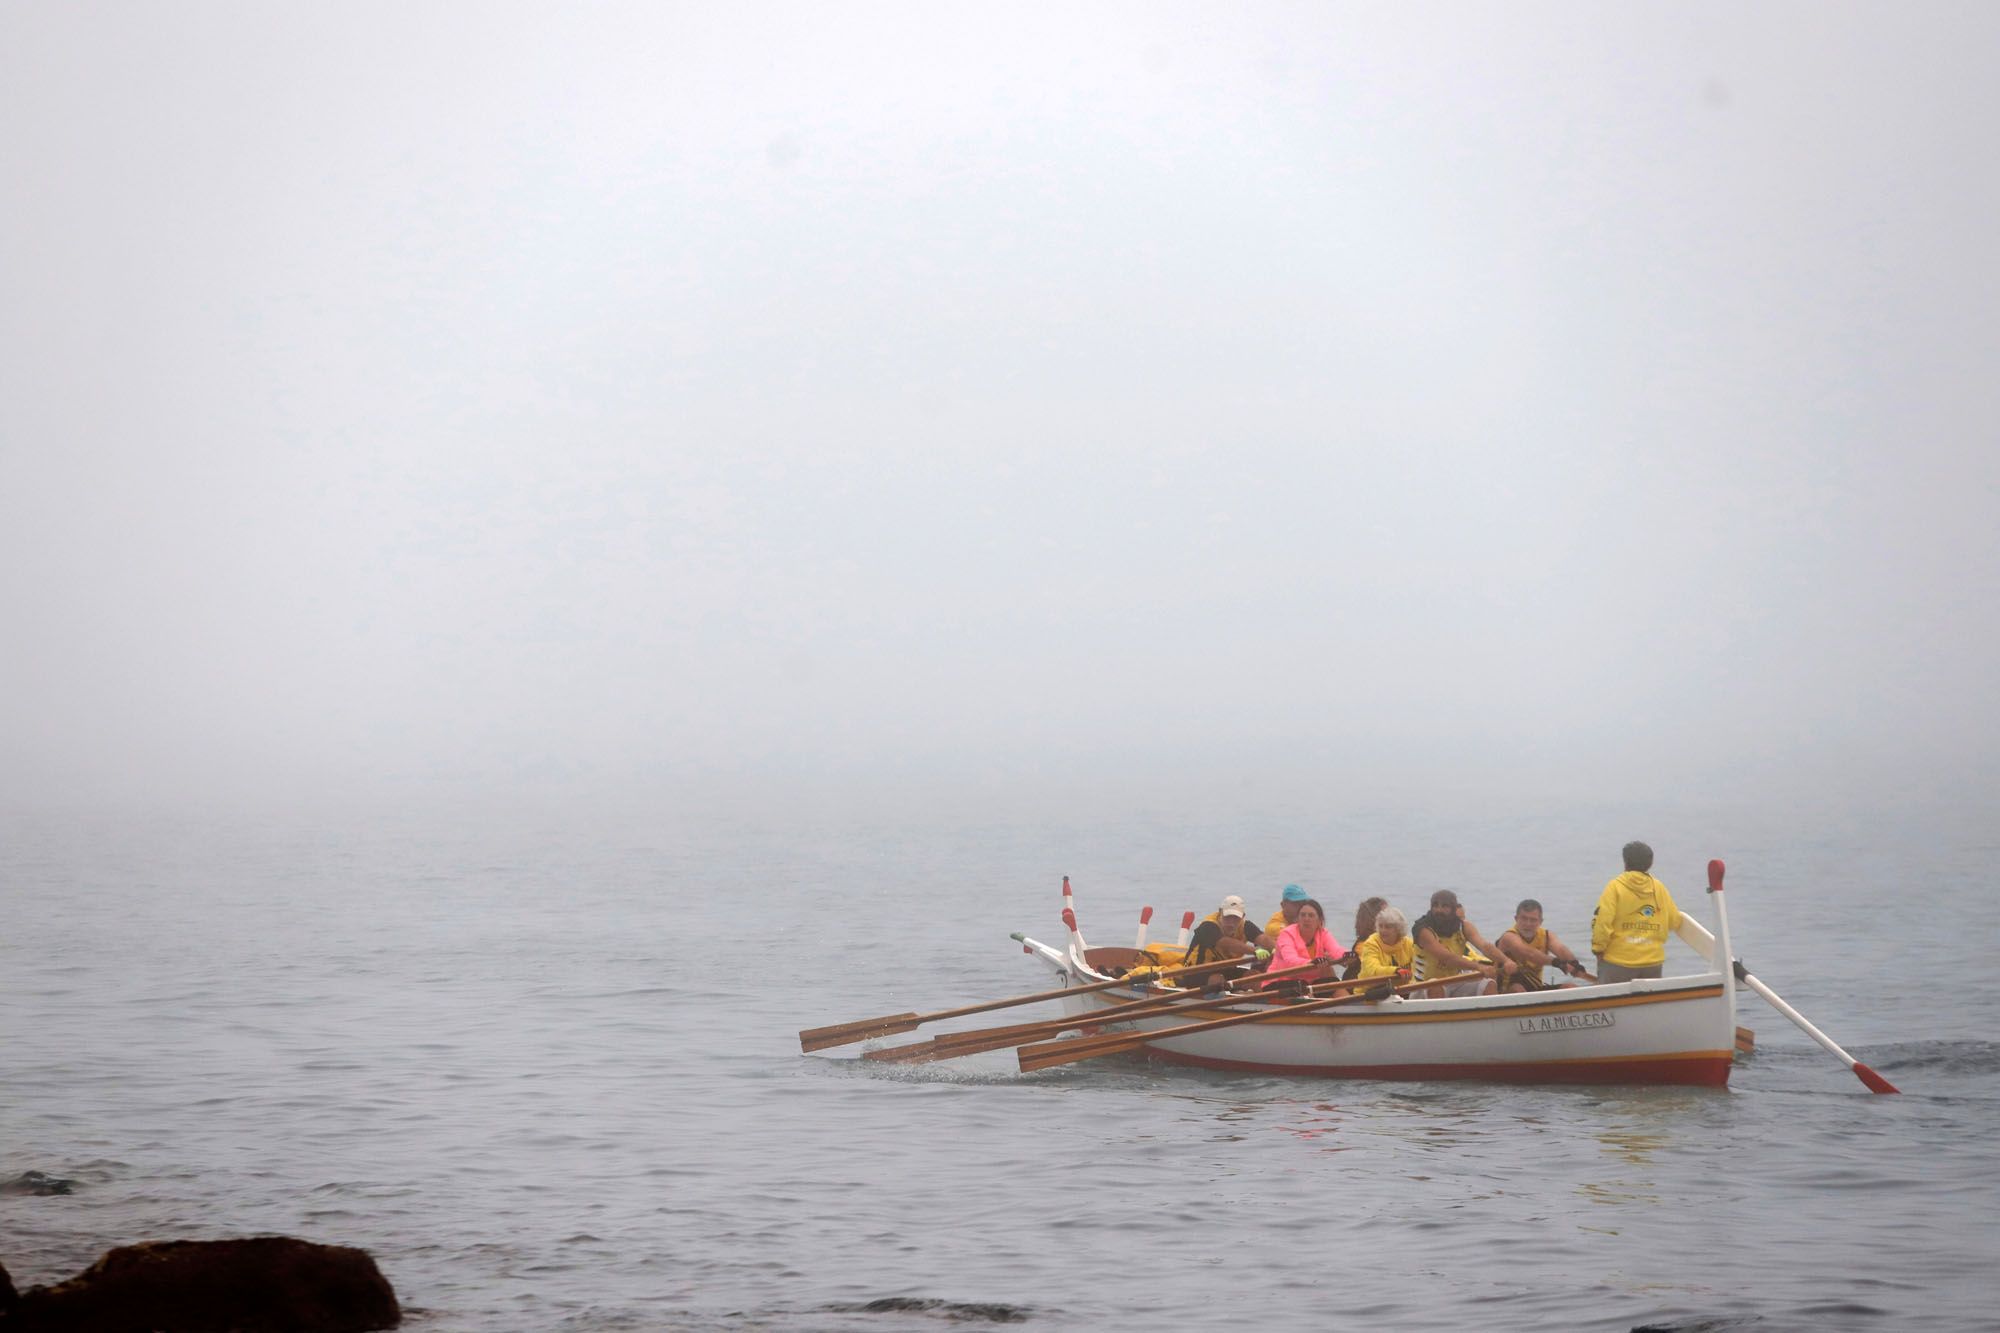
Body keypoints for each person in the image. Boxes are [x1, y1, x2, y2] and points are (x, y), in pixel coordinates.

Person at [1591, 841, 1683, 983]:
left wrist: (1598, 949)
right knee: (1648, 1004)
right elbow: (1675, 921)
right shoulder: (1659, 888)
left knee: (1611, 1004)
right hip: (1652, 962)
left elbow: (1603, 922)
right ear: (1650, 863)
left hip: (1617, 962)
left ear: (1625, 862)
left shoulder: (1615, 887)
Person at [1410, 889, 1503, 996]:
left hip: (1454, 982)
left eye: (1444, 906)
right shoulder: (1422, 929)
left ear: (1453, 909)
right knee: (1435, 986)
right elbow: (1447, 958)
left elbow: (1485, 946)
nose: (1439, 910)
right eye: (1435, 905)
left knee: (1489, 984)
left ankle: (1487, 1012)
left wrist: (1506, 961)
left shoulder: (1464, 926)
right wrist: (1479, 967)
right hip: (1423, 986)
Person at [1493, 899, 1588, 991]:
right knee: (1518, 988)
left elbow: (1560, 949)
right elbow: (1529, 954)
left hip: (1535, 986)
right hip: (1507, 990)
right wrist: (1557, 963)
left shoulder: (1547, 936)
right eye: (1524, 918)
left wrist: (1574, 962)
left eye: (1533, 920)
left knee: (1570, 988)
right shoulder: (1508, 937)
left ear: (1540, 921)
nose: (1528, 924)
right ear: (1516, 919)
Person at [1262, 898, 1345, 988]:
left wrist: (1347, 956)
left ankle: (1348, 1001)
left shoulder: (1323, 934)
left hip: (1307, 983)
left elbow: (1336, 950)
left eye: (1311, 915)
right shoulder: (1287, 934)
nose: (1306, 919)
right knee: (1302, 985)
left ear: (1319, 920)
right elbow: (1291, 961)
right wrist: (1311, 962)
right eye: (1303, 915)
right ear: (1297, 919)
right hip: (1278, 982)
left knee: (1332, 981)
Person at [1354, 905, 1415, 982]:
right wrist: (1395, 971)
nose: (1383, 930)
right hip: (1372, 989)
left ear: (1398, 929)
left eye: (1387, 927)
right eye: (1380, 926)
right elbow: (1372, 971)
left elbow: (1418, 968)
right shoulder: (1371, 943)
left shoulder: (1409, 943)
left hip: (1403, 989)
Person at [1202, 894, 1270, 959]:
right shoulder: (1207, 925)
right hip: (1200, 969)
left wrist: (1276, 949)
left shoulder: (1246, 926)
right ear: (1220, 912)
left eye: (1236, 918)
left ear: (1242, 916)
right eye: (1227, 916)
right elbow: (1225, 943)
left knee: (1254, 971)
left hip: (1227, 968)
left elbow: (1264, 939)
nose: (1231, 923)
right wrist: (1255, 950)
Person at [1340, 897, 1390, 979]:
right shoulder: (1363, 945)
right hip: (1357, 986)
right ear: (1373, 919)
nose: (1392, 917)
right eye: (1387, 914)